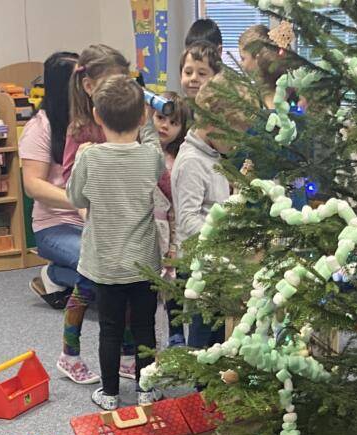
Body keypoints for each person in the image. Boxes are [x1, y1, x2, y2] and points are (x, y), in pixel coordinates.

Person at [66, 75, 164, 412]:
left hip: (105, 264)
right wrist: (148, 121)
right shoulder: (150, 157)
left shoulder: (90, 158)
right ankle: (146, 390)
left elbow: (75, 197)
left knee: (109, 329)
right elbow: (153, 146)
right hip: (143, 263)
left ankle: (109, 394)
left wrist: (80, 159)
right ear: (142, 116)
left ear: (97, 116)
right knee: (145, 327)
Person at [44, 44, 138, 387]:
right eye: (114, 82)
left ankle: (127, 355)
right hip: (97, 228)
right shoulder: (80, 129)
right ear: (89, 86)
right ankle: (69, 355)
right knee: (85, 290)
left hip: (124, 224)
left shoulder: (126, 122)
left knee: (126, 289)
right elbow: (72, 181)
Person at [172, 80, 238, 348]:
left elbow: (212, 205)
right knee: (202, 335)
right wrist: (222, 236)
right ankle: (197, 374)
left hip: (215, 260)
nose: (236, 144)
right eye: (233, 135)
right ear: (213, 123)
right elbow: (188, 220)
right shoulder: (192, 162)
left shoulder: (211, 154)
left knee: (216, 332)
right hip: (199, 265)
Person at [21, 51, 82, 312]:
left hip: (92, 223)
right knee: (104, 275)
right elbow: (32, 185)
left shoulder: (89, 121)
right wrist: (78, 201)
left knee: (125, 271)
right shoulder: (40, 126)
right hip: (55, 226)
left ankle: (64, 273)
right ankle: (54, 275)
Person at [152, 93, 191, 348]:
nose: (165, 125)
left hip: (170, 228)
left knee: (173, 284)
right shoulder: (144, 151)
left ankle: (176, 332)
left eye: (173, 122)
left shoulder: (179, 159)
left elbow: (177, 206)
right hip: (147, 228)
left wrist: (175, 243)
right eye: (160, 118)